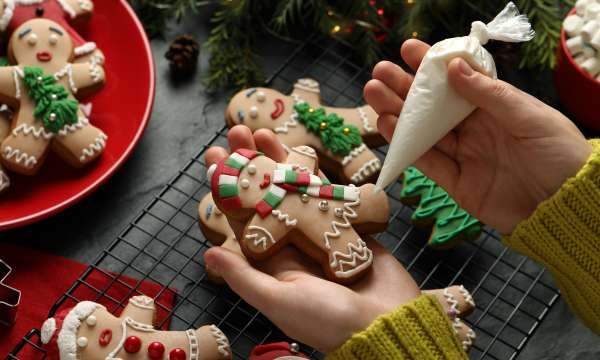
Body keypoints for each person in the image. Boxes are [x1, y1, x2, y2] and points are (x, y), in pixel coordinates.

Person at [203, 39, 600, 359]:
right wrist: (575, 200)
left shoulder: (298, 160)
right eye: (246, 182)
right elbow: (262, 234)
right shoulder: (271, 210)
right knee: (341, 240)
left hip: (345, 203)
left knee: (363, 205)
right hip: (326, 231)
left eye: (253, 169)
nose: (256, 176)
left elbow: (304, 155)